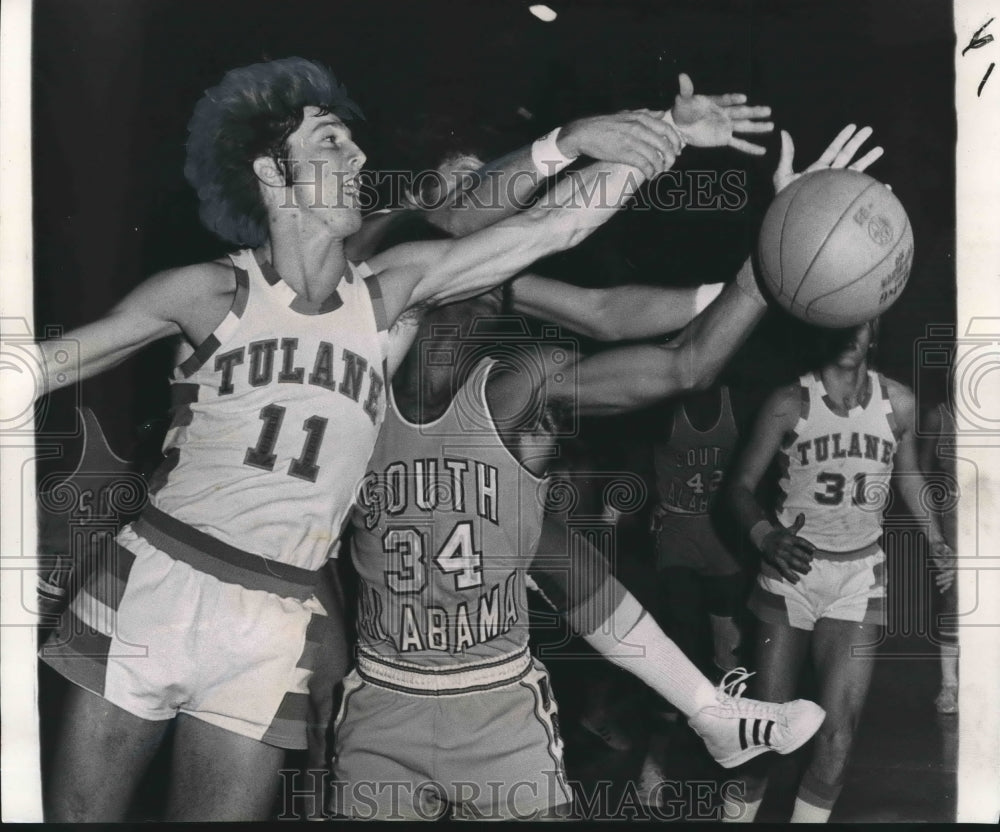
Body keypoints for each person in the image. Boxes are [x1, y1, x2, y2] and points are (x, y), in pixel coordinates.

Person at [22, 56, 694, 822]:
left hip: (274, 617)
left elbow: (547, 227)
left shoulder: (390, 297)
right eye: (330, 142)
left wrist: (655, 138)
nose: (359, 159)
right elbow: (41, 368)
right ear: (274, 176)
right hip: (157, 585)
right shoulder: (206, 291)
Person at [327, 125, 883, 820]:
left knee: (539, 534)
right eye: (473, 194)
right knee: (540, 540)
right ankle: (710, 711)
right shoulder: (349, 333)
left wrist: (777, 259)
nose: (492, 214)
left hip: (494, 700)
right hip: (382, 694)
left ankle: (709, 711)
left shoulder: (516, 372)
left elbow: (626, 322)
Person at [726, 319, 954, 823]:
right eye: (841, 320)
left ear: (876, 332)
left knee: (839, 735)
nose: (853, 333)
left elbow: (910, 473)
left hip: (859, 577)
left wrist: (936, 538)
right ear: (819, 326)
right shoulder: (789, 402)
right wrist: (767, 537)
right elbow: (739, 486)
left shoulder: (899, 403)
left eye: (864, 323)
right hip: (793, 577)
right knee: (765, 737)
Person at [918, 400, 959, 714]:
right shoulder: (939, 415)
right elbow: (920, 470)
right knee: (952, 594)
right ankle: (949, 685)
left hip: (991, 511)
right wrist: (933, 529)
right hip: (953, 516)